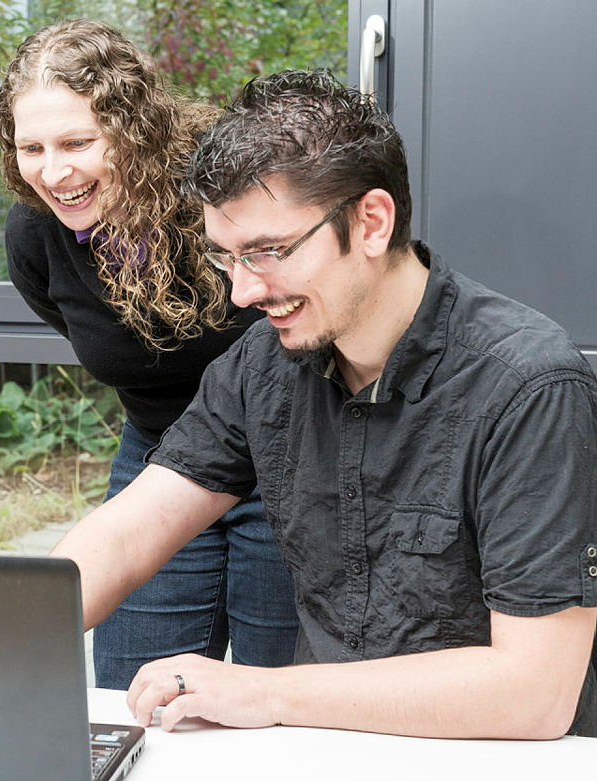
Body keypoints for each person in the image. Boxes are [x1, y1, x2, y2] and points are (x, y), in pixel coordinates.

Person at [52, 69, 597, 739]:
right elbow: (129, 530)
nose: (242, 293)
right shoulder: (263, 366)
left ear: (371, 221)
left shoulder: (530, 387)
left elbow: (535, 693)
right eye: (225, 258)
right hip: (325, 756)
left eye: (268, 252)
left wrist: (267, 691)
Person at [0, 18, 298, 689]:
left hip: (288, 454)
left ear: (130, 128)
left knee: (282, 692)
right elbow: (97, 337)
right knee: (135, 689)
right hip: (160, 454)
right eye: (32, 147)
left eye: (77, 142)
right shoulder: (35, 236)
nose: (54, 171)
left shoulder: (220, 190)